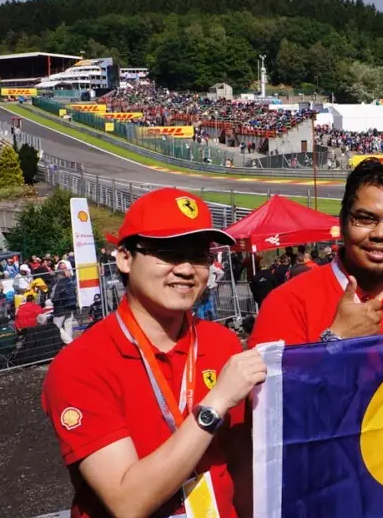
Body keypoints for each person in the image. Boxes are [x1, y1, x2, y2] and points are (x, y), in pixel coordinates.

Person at [41, 187, 267, 518]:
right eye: (169, 252)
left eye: (200, 255)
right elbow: (127, 502)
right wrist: (215, 404)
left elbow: (241, 459)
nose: (188, 269)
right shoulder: (80, 365)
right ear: (125, 258)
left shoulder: (222, 343)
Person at [249, 159, 383, 347]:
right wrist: (335, 342)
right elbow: (274, 396)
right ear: (342, 221)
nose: (380, 234)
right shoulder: (287, 302)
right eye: (365, 219)